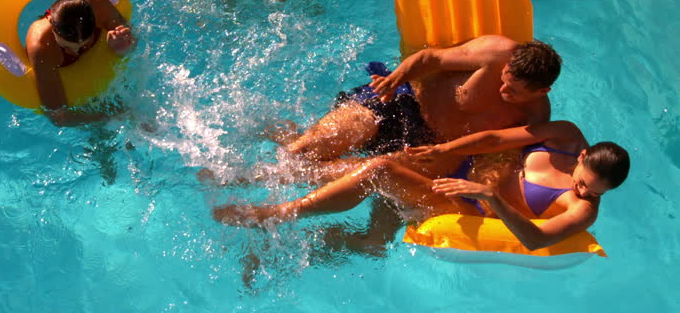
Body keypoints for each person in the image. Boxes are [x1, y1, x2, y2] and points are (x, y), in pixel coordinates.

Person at [214, 120, 630, 251]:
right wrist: (442, 149)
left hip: (476, 208)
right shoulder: (565, 134)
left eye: (595, 193)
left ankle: (274, 214)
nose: (584, 194)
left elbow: (537, 239)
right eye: (584, 183)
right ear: (582, 156)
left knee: (381, 171)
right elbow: (496, 140)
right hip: (468, 172)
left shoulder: (584, 211)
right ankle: (268, 173)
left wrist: (492, 200)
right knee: (386, 166)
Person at [276, 35, 562, 181]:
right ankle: (260, 147)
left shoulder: (535, 116)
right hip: (399, 101)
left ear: (542, 91)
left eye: (514, 92)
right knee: (299, 154)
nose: (503, 90)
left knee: (321, 175)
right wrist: (393, 80)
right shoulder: (498, 52)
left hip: (425, 147)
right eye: (504, 80)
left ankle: (265, 158)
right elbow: (430, 59)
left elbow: (500, 152)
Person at [25, 0, 134, 126]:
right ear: (53, 29)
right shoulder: (41, 46)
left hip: (106, 77)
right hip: (79, 98)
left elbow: (133, 43)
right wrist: (111, 116)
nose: (74, 52)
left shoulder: (100, 6)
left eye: (84, 45)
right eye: (65, 46)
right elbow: (59, 117)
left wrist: (122, 49)